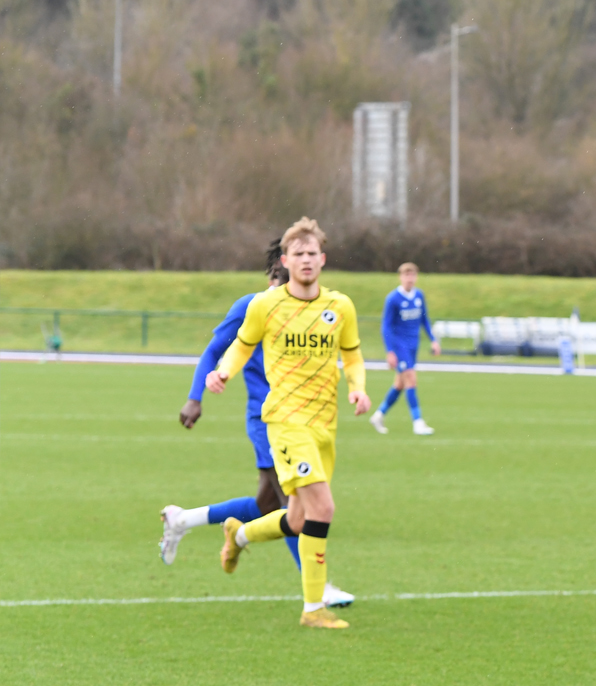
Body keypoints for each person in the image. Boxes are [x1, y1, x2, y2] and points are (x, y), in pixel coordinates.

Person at [160, 241, 354, 608]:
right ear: (273, 272)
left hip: (304, 419)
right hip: (270, 420)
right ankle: (319, 589)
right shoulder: (253, 306)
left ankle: (182, 520)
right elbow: (215, 350)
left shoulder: (307, 310)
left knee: (267, 506)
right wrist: (195, 396)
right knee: (295, 504)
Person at [205, 217, 370, 629]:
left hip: (323, 424)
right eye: (298, 254)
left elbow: (351, 354)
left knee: (298, 519)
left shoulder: (340, 307)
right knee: (323, 507)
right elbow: (241, 346)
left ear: (323, 259)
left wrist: (358, 387)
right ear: (285, 261)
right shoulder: (266, 305)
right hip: (284, 421)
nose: (306, 260)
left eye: (312, 253)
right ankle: (313, 607)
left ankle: (237, 535)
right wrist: (223, 372)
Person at [370, 261, 440, 435]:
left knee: (400, 384)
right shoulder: (393, 299)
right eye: (406, 275)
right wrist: (390, 351)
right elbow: (385, 327)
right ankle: (418, 422)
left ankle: (378, 415)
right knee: (411, 379)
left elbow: (425, 319)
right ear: (400, 277)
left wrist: (433, 340)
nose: (409, 279)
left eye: (412, 275)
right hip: (399, 346)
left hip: (413, 346)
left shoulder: (419, 296)